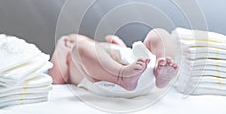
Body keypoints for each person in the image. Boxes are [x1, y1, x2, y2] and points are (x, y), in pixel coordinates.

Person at [48, 28, 179, 91]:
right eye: (69, 41)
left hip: (140, 69)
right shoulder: (72, 55)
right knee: (80, 49)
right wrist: (60, 48)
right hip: (104, 80)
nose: (69, 43)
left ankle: (162, 62)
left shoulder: (98, 48)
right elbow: (55, 79)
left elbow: (125, 54)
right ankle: (121, 76)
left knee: (158, 34)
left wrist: (118, 46)